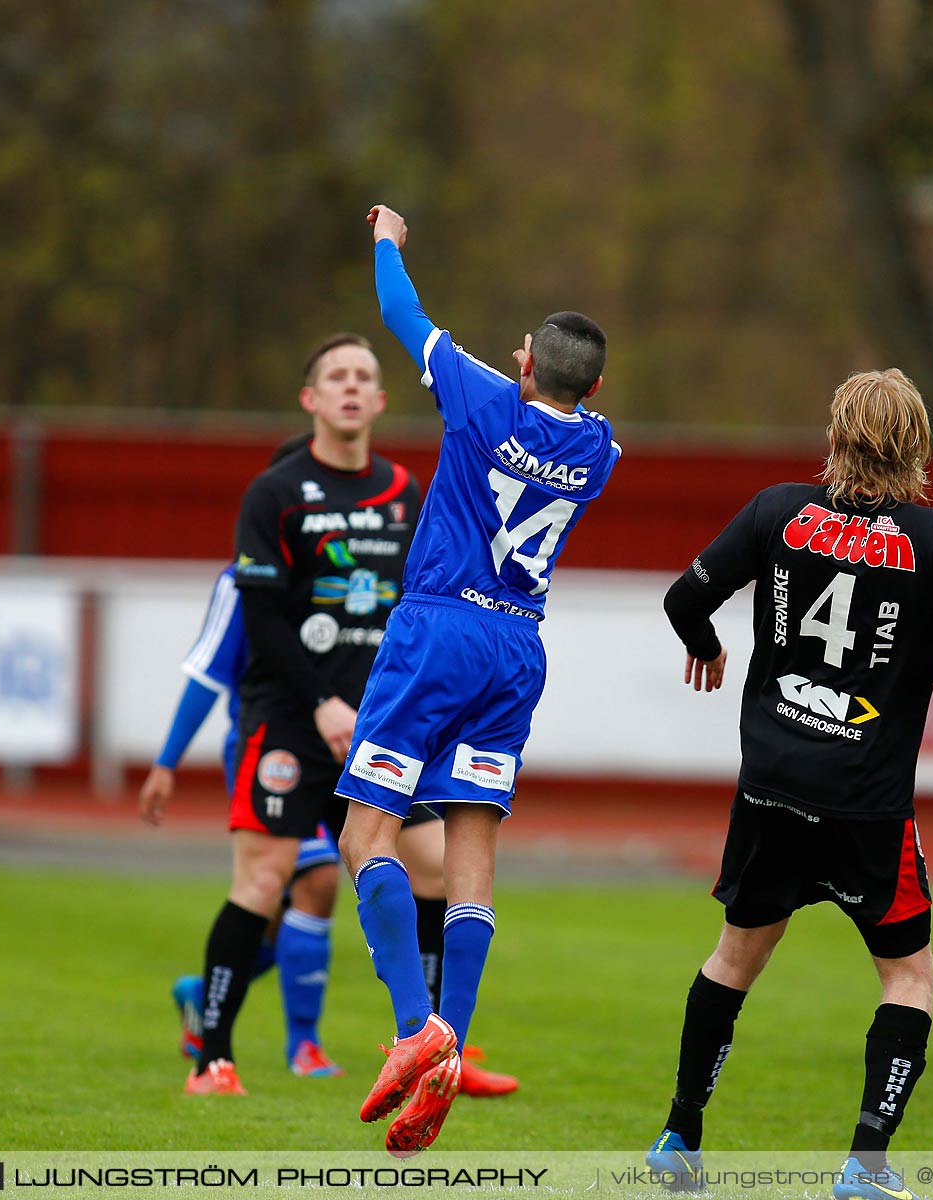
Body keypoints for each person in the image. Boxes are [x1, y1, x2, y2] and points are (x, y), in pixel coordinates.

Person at [641, 368, 933, 1199]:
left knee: (733, 960)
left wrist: (707, 645)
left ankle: (680, 1134)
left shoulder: (777, 510)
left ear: (836, 434)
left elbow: (683, 600)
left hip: (771, 786)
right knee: (909, 977)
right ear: (914, 445)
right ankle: (866, 1164)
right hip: (866, 803)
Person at [335, 204, 621, 1155]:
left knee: (363, 832)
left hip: (439, 629)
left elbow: (399, 309)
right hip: (518, 648)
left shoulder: (480, 395)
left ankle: (415, 1024)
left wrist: (388, 236)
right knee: (472, 850)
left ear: (526, 361)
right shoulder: (600, 450)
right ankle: (453, 1039)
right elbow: (576, 414)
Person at [150, 332, 425, 1097]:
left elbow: (420, 609)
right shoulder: (274, 493)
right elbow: (261, 620)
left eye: (363, 376)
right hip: (289, 722)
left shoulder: (407, 493)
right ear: (310, 398)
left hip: (380, 722)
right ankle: (213, 1060)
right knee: (266, 881)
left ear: (379, 400)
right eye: (334, 374)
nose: (349, 386)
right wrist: (322, 702)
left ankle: (433, 1048)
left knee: (428, 867)